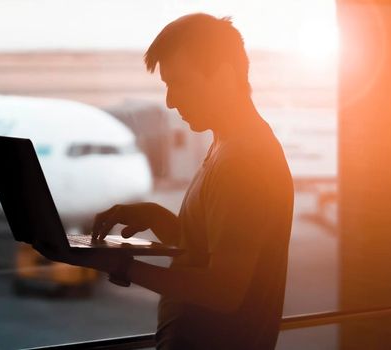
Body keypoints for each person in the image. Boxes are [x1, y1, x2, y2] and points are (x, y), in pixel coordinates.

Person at [33, 13, 294, 349]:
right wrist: (159, 219)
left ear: (225, 76)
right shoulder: (228, 145)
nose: (171, 101)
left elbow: (224, 291)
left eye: (180, 83)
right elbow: (211, 253)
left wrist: (121, 266)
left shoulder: (243, 162)